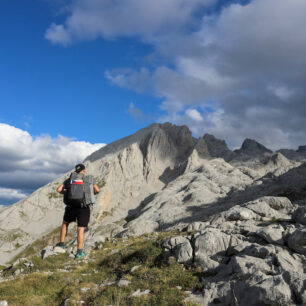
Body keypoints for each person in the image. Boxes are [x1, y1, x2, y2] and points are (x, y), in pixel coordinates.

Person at [56, 163, 100, 259]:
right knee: (80, 229)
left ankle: (61, 244)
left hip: (71, 206)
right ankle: (79, 252)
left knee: (65, 223)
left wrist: (66, 193)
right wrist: (93, 193)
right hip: (83, 208)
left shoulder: (70, 179)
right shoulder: (88, 179)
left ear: (76, 171)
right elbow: (97, 190)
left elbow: (59, 189)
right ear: (83, 171)